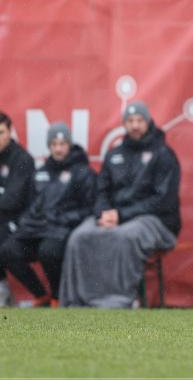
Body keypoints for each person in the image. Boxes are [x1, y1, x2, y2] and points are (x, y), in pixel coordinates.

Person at [59, 101, 180, 308]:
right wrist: (103, 213)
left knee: (124, 236)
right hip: (113, 216)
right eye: (130, 121)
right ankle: (76, 301)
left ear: (148, 122)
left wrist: (121, 216)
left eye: (139, 120)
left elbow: (163, 200)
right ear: (124, 124)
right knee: (79, 236)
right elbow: (101, 190)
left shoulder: (163, 154)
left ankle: (122, 300)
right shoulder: (114, 153)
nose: (135, 125)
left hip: (156, 220)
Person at [0, 123, 95, 306]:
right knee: (8, 250)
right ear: (49, 146)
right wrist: (26, 222)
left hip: (63, 231)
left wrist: (63, 219)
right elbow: (30, 205)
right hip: (37, 230)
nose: (58, 149)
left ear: (69, 144)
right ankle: (40, 295)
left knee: (48, 250)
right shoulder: (41, 172)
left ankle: (57, 297)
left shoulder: (83, 173)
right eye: (54, 144)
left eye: (62, 143)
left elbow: (89, 208)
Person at [0, 111, 36, 307]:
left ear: (10, 131)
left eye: (1, 132)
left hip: (22, 221)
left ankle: (39, 295)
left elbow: (11, 201)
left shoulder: (22, 159)